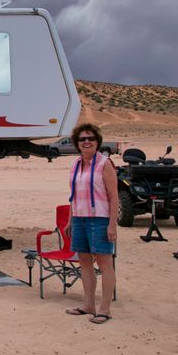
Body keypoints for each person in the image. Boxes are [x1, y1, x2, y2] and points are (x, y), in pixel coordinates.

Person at [64, 123, 118, 325]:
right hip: (79, 218)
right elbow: (73, 196)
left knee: (105, 264)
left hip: (100, 219)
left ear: (97, 142)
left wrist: (112, 225)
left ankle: (105, 308)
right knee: (85, 263)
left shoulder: (105, 164)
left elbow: (114, 197)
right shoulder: (76, 164)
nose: (86, 142)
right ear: (77, 144)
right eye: (82, 139)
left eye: (91, 139)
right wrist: (71, 219)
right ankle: (88, 305)